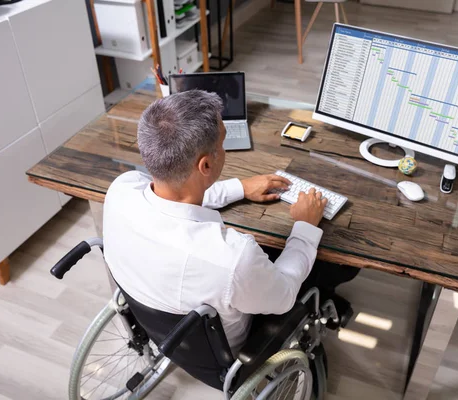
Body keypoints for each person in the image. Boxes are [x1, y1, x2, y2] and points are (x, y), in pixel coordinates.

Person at [103, 90, 358, 356]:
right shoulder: (232, 258)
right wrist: (306, 227)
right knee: (336, 266)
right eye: (222, 144)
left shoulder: (121, 189)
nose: (223, 150)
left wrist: (240, 187)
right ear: (206, 165)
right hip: (230, 346)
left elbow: (174, 195)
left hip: (165, 329)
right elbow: (284, 296)